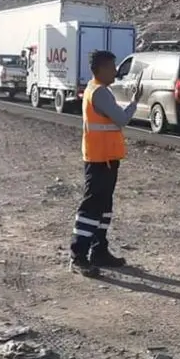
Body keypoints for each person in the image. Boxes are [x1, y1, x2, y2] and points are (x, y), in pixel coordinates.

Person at [69, 50, 143, 277]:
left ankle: (98, 250)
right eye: (112, 67)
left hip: (105, 159)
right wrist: (134, 102)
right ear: (100, 69)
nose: (115, 71)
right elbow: (121, 119)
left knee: (103, 207)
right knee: (92, 207)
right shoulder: (99, 92)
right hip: (100, 159)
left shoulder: (99, 90)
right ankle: (78, 255)